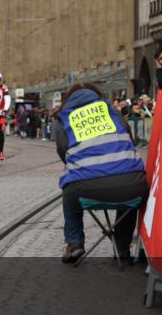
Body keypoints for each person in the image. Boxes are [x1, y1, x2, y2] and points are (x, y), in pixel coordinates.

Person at [54, 83, 147, 264]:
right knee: (129, 188)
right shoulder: (112, 111)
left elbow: (63, 152)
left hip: (85, 188)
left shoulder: (63, 118)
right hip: (133, 185)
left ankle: (74, 243)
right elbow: (129, 138)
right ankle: (122, 248)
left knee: (68, 190)